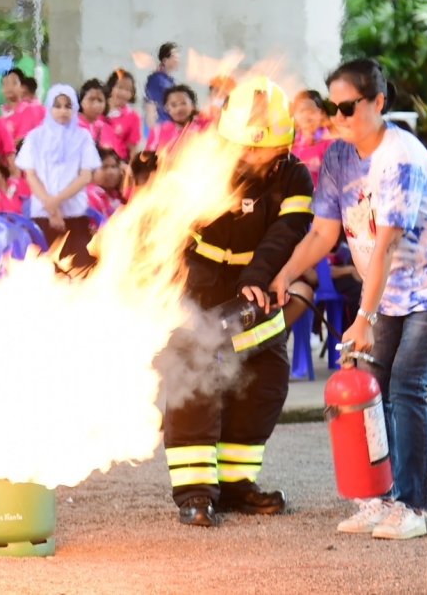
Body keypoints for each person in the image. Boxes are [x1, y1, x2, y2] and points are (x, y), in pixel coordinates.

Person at [270, 59, 427, 540]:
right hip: (387, 283)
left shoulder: (399, 157)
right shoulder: (338, 158)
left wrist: (362, 317)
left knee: (406, 382)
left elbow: (385, 245)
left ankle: (412, 505)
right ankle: (378, 498)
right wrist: (283, 274)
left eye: (348, 106)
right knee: (373, 383)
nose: (337, 116)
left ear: (379, 103)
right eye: (331, 107)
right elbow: (322, 234)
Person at [161, 77, 313, 528]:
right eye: (244, 147)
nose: (252, 157)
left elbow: (287, 231)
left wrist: (257, 278)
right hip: (197, 285)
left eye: (261, 149)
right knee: (194, 383)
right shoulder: (204, 165)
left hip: (257, 288)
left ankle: (235, 488)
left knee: (265, 382)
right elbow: (168, 226)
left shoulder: (295, 175)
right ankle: (194, 495)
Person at [16, 84, 102, 267]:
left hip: (75, 214)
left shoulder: (83, 137)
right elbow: (30, 175)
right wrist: (52, 209)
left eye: (68, 106)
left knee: (81, 268)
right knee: (44, 269)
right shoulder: (34, 137)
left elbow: (85, 176)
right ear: (49, 107)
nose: (63, 111)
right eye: (57, 105)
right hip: (42, 214)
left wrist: (56, 202)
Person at [290, 90, 334, 188]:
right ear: (295, 115)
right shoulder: (292, 144)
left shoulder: (329, 144)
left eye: (311, 110)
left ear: (321, 114)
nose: (306, 116)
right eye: (301, 111)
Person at [145, 85, 208, 153]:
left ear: (193, 106)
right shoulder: (157, 131)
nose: (179, 109)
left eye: (183, 103)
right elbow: (148, 158)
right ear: (167, 108)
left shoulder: (206, 128)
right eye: (173, 105)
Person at [104, 68, 143, 160]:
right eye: (120, 87)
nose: (123, 93)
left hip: (118, 164)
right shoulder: (99, 108)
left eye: (128, 90)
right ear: (111, 87)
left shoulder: (133, 117)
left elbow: (133, 149)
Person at [1, 68, 46, 145]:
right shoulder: (2, 118)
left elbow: (24, 141)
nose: (9, 87)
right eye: (5, 84)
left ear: (22, 87)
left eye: (14, 83)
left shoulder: (31, 110)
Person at [145, 42, 180, 127]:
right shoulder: (157, 80)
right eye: (174, 57)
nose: (177, 60)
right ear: (165, 60)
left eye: (178, 57)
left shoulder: (169, 80)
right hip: (162, 128)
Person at [85, 148, 125, 217]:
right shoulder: (92, 195)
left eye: (114, 166)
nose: (111, 172)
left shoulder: (116, 194)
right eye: (104, 167)